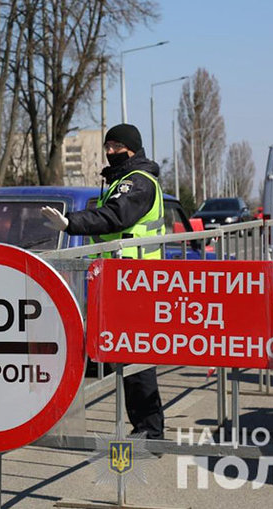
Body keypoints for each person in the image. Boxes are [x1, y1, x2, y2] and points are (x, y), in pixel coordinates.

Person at [40, 122, 165, 439]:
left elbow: (115, 216)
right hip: (121, 281)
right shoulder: (122, 180)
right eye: (107, 146)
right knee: (125, 354)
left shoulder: (138, 183)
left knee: (136, 357)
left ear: (131, 149)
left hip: (138, 282)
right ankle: (145, 427)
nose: (110, 152)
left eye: (116, 147)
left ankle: (150, 430)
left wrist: (70, 223)